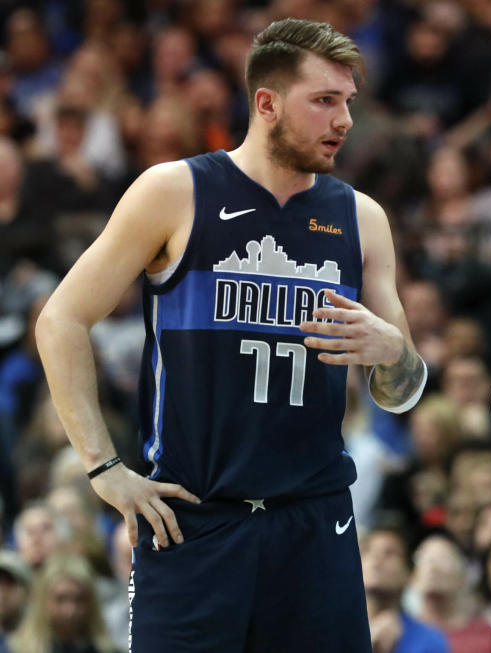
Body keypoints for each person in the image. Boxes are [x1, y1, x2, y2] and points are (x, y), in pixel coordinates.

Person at [34, 18, 426, 653]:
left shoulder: (362, 217)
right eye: (324, 100)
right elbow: (60, 319)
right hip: (192, 521)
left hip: (313, 523)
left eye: (348, 101)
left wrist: (393, 354)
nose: (345, 120)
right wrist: (103, 468)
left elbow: (400, 390)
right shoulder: (173, 191)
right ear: (266, 104)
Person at [359, 525, 450, 653]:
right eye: (368, 551)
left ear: (409, 573)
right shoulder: (331, 629)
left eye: (389, 553)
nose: (376, 559)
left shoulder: (430, 641)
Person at [6, 553, 116, 653]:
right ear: (43, 601)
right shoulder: (17, 649)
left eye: (79, 599)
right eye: (60, 599)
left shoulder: (106, 649)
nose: (70, 611)